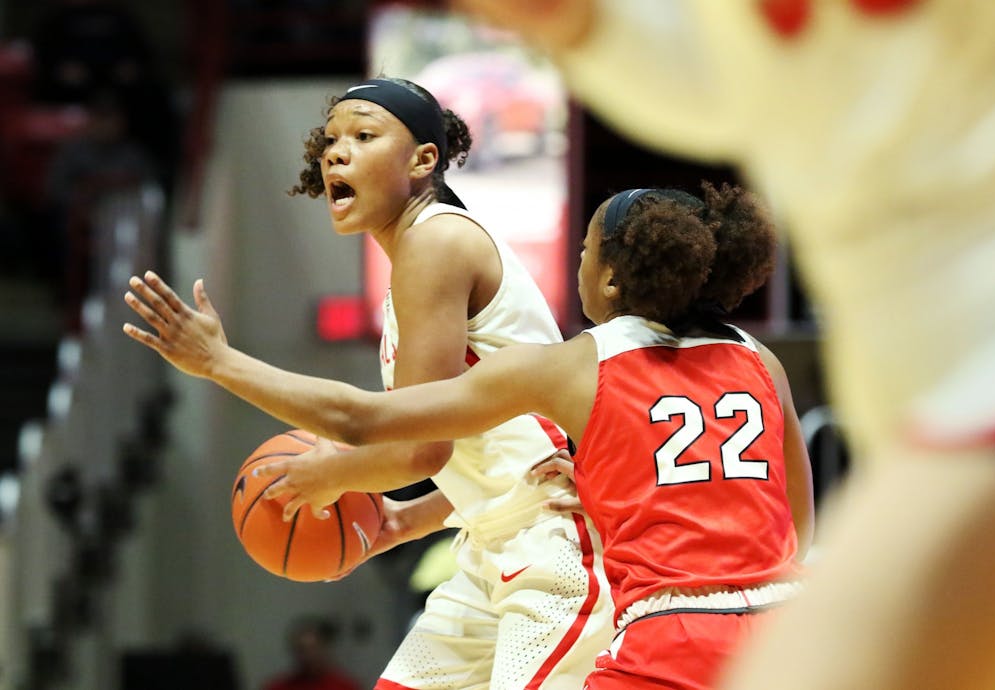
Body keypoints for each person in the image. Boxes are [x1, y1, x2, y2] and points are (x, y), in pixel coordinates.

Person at [445, 1, 995, 689]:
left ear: (612, 273)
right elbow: (713, 85)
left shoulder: (591, 360)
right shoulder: (749, 355)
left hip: (975, 390)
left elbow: (383, 424)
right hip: (911, 424)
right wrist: (587, 29)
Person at [123, 181, 816, 689]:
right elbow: (799, 530)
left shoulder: (570, 367)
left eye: (583, 249)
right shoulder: (763, 362)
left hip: (671, 634)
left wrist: (219, 362)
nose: (575, 262)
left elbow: (362, 421)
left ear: (608, 275)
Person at [124, 76, 614, 690]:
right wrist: (404, 521)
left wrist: (225, 369)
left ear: (422, 159)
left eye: (363, 135)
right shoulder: (419, 254)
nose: (335, 152)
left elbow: (417, 448)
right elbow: (489, 448)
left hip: (553, 549)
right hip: (495, 544)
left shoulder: (438, 241)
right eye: (330, 141)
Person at [262, 616, 360, 690]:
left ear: (324, 648)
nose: (308, 655)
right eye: (301, 649)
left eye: (313, 648)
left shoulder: (346, 686)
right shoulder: (278, 687)